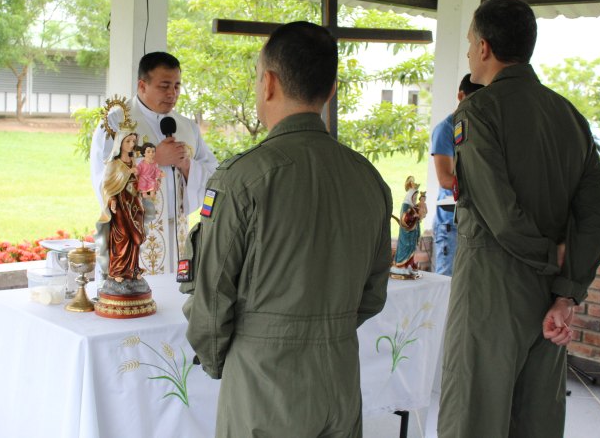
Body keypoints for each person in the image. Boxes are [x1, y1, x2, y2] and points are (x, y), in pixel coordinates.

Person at [179, 21, 393, 437]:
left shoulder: (243, 178)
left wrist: (226, 361)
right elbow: (372, 294)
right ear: (330, 89)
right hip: (339, 381)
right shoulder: (367, 178)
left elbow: (211, 302)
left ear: (269, 83)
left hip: (265, 384)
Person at [438, 0, 600, 438]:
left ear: (484, 47)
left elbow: (501, 215)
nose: (468, 53)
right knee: (537, 419)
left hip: (490, 292)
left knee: (473, 417)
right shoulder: (570, 117)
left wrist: (548, 256)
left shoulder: (477, 111)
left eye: (469, 42)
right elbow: (596, 215)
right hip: (550, 300)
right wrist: (567, 290)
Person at [90, 52, 219, 275]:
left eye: (177, 86)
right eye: (164, 86)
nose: (173, 94)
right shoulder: (115, 123)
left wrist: (187, 166)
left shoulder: (187, 127)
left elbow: (214, 177)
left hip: (176, 236)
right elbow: (105, 181)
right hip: (133, 236)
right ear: (142, 86)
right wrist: (154, 160)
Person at [430, 74, 483, 276]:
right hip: (451, 223)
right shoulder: (446, 129)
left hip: (476, 221)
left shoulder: (480, 129)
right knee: (448, 284)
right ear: (461, 97)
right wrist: (485, 186)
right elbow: (445, 179)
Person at [94, 124, 146, 286]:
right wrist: (111, 199)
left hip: (134, 204)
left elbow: (138, 181)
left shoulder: (133, 161)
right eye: (128, 141)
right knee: (122, 237)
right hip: (121, 205)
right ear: (120, 143)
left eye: (133, 141)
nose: (131, 144)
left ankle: (133, 269)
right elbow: (107, 186)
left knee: (134, 238)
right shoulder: (114, 164)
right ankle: (117, 270)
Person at [391, 176, 426, 278]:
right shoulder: (406, 206)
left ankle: (410, 265)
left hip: (412, 232)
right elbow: (405, 219)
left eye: (416, 196)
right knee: (405, 249)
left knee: (411, 249)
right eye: (414, 196)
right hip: (406, 233)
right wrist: (414, 216)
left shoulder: (413, 206)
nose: (415, 198)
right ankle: (402, 266)